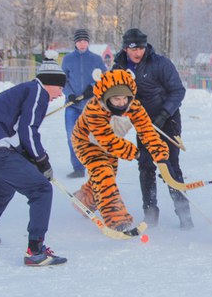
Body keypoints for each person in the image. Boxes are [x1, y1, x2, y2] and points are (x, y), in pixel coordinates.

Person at [0, 50, 67, 267]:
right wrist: (42, 160)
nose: (60, 95)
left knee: (4, 188)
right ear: (49, 83)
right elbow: (28, 129)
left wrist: (30, 157)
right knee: (41, 190)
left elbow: (15, 132)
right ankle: (36, 251)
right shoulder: (38, 91)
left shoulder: (24, 90)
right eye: (60, 88)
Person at [112, 28, 193, 229]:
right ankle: (150, 212)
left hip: (167, 121)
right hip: (143, 124)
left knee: (170, 166)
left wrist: (163, 115)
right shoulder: (118, 68)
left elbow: (178, 91)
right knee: (146, 166)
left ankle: (184, 215)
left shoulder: (160, 64)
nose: (138, 52)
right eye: (133, 48)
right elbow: (111, 92)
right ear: (125, 48)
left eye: (141, 47)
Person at [71, 69, 170, 231]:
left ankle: (83, 201)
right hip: (87, 143)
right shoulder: (94, 108)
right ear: (106, 97)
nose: (122, 103)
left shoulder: (133, 106)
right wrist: (138, 154)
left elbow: (147, 130)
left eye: (125, 98)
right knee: (103, 174)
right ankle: (116, 219)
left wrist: (159, 153)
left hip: (113, 145)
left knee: (103, 179)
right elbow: (107, 140)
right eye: (116, 99)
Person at [61, 28, 108, 179]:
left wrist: (93, 89)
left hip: (91, 105)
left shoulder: (96, 59)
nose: (82, 44)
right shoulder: (67, 59)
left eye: (85, 41)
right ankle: (78, 168)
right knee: (72, 136)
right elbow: (63, 80)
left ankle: (96, 164)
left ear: (88, 42)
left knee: (94, 136)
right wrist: (70, 94)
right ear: (75, 43)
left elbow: (104, 79)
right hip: (72, 105)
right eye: (80, 41)